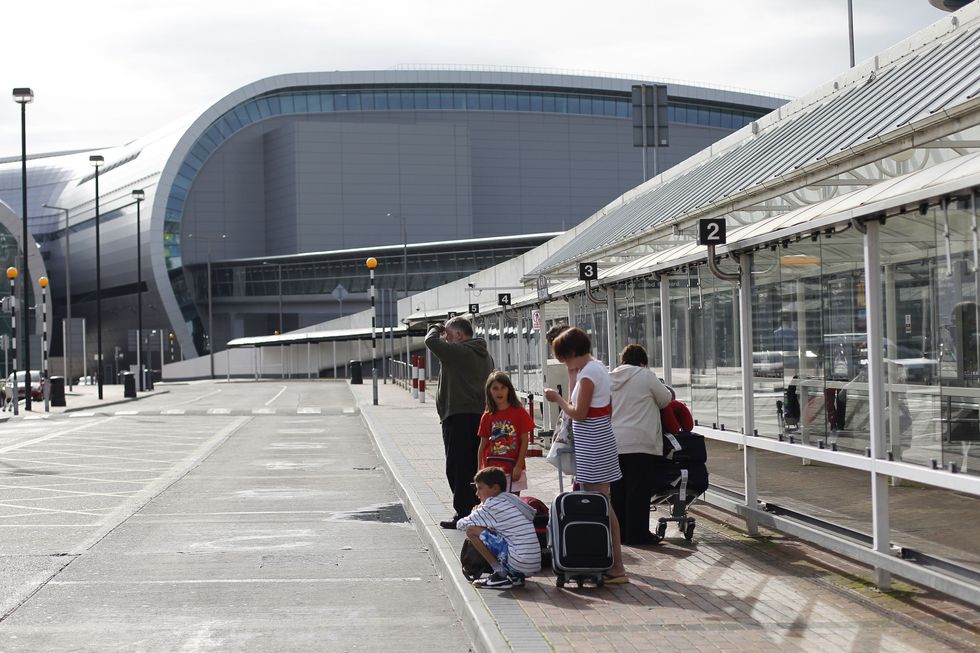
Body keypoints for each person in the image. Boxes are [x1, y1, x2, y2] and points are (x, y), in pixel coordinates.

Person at [543, 327, 628, 584]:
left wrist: (557, 398)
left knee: (602, 503)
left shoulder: (589, 374)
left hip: (593, 442)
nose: (566, 363)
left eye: (565, 358)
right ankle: (612, 561)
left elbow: (578, 413)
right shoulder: (594, 368)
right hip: (597, 439)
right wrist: (571, 376)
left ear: (572, 352)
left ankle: (617, 566)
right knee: (601, 501)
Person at [425, 316, 496, 529]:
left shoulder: (458, 352)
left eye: (448, 334)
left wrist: (437, 327)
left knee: (457, 467)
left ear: (458, 335)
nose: (446, 339)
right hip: (480, 415)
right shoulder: (485, 355)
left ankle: (463, 513)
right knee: (476, 464)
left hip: (458, 416)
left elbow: (430, 341)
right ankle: (477, 508)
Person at [608, 344, 673, 545]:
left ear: (622, 360)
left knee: (618, 490)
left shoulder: (609, 378)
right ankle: (637, 534)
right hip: (641, 442)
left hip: (615, 442)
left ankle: (620, 535)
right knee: (638, 490)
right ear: (643, 361)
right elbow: (665, 400)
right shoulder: (646, 376)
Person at [457, 466, 542, 589]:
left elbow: (461, 524)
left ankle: (500, 575)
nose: (477, 493)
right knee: (495, 532)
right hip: (532, 564)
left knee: (472, 530)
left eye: (480, 488)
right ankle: (515, 577)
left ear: (495, 488)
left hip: (518, 562)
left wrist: (475, 512)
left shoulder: (492, 505)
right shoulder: (512, 499)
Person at [478, 371, 533, 495]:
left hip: (513, 469)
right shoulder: (487, 416)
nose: (499, 392)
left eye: (503, 388)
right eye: (495, 388)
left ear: (509, 389)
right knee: (493, 505)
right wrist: (480, 470)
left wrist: (519, 466)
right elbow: (482, 445)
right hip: (492, 471)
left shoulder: (519, 412)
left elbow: (525, 440)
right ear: (489, 391)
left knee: (512, 505)